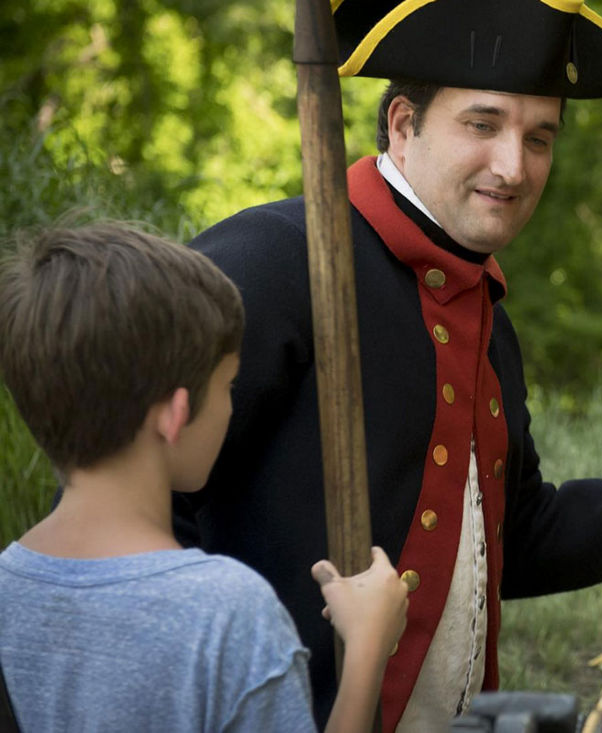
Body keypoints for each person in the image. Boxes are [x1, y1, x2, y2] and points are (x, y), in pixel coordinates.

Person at [180, 1, 602, 730]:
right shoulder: (280, 259)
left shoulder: (488, 318)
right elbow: (135, 499)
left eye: (539, 137)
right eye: (483, 124)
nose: (513, 165)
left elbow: (515, 538)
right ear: (404, 125)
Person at [0, 222, 408, 733]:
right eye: (228, 384)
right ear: (176, 414)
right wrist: (367, 651)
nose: (233, 403)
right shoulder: (227, 615)